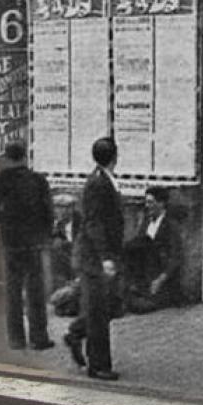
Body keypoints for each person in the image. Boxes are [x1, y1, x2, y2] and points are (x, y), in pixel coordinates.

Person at [0, 141, 55, 351]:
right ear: (25, 157)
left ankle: (16, 338)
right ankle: (39, 337)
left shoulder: (2, 181)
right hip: (33, 242)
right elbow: (47, 211)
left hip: (12, 241)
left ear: (8, 158)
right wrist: (45, 234)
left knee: (13, 291)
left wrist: (4, 225)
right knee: (36, 290)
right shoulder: (38, 180)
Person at [76, 137, 125, 380]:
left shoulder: (103, 179)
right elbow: (94, 223)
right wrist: (105, 257)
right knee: (98, 311)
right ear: (115, 156)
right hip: (95, 257)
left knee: (104, 308)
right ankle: (98, 365)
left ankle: (76, 336)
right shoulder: (98, 184)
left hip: (99, 255)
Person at [122, 186, 183, 313]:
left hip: (160, 278)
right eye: (146, 202)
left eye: (150, 202)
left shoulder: (171, 226)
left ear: (161, 203)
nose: (147, 206)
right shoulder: (146, 223)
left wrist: (160, 280)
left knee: (143, 306)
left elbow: (176, 257)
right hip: (144, 276)